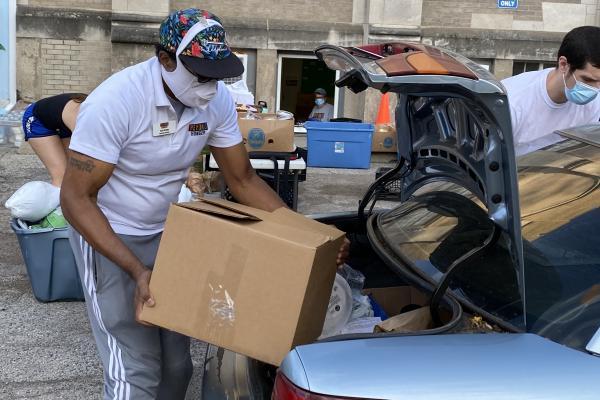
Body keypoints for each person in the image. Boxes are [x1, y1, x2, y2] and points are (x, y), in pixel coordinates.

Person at [60, 9, 349, 399]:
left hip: (170, 233)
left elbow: (243, 180)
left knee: (178, 364)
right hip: (110, 237)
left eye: (218, 76)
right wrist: (135, 269)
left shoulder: (215, 102)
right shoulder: (117, 101)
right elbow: (75, 198)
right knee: (135, 366)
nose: (211, 88)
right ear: (165, 60)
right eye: (201, 76)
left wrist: (312, 238)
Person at [502, 26, 600, 156]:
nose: (596, 89)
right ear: (563, 64)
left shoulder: (594, 103)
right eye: (587, 80)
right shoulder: (512, 103)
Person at [21, 93, 87, 187]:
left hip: (62, 122)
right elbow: (82, 151)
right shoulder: (80, 116)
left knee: (75, 172)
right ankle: (58, 200)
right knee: (61, 175)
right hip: (37, 120)